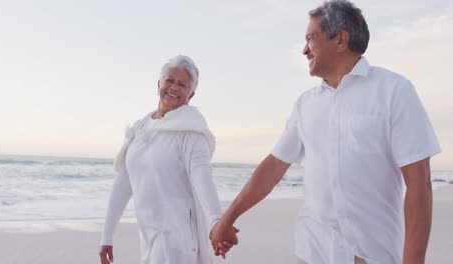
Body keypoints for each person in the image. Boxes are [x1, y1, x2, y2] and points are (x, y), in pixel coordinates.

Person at [210, 0, 441, 263]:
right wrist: (228, 218)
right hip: (313, 251)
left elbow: (419, 183)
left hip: (371, 253)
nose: (304, 49)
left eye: (310, 38)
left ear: (341, 40)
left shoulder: (394, 90)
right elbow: (274, 166)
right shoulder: (306, 104)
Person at [99, 55, 227, 264]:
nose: (174, 88)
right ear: (159, 83)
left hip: (178, 239)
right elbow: (124, 182)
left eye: (182, 84)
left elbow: (202, 177)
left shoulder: (191, 131)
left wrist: (216, 220)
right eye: (169, 80)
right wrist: (107, 235)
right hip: (149, 235)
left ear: (191, 94)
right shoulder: (141, 127)